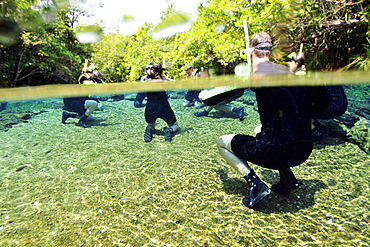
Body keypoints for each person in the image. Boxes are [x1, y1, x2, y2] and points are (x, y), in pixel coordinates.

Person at [217, 32, 314, 208]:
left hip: (276, 154)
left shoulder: (256, 75)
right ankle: (287, 179)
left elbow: (214, 97)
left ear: (251, 52)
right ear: (270, 51)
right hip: (304, 150)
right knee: (259, 128)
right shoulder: (288, 73)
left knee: (221, 142)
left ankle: (256, 185)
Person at [143, 62, 180, 142]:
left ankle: (149, 128)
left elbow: (143, 81)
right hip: (164, 107)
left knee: (150, 124)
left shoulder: (146, 80)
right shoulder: (164, 80)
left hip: (150, 108)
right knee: (175, 125)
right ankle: (169, 130)